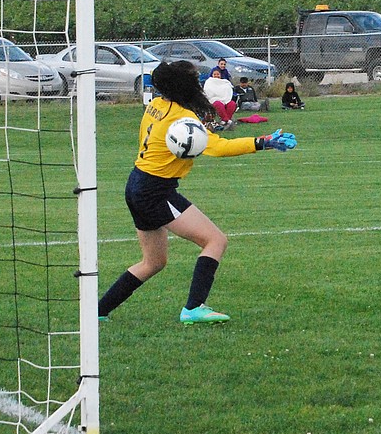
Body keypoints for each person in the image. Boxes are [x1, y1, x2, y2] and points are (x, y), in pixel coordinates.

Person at [98, 61, 297, 325]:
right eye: (195, 80)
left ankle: (97, 311)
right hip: (155, 190)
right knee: (215, 240)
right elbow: (217, 148)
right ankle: (194, 307)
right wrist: (263, 142)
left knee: (153, 262)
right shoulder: (182, 118)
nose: (200, 84)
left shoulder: (156, 105)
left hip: (137, 183)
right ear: (184, 85)